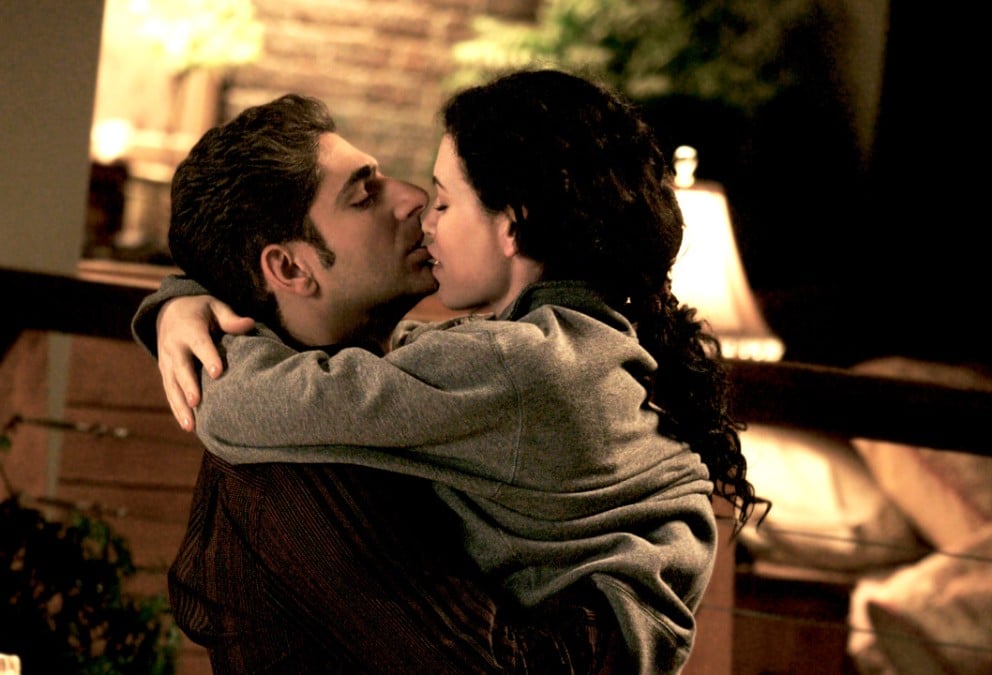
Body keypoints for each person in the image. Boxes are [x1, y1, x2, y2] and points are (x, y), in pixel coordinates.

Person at [139, 68, 759, 673]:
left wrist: (180, 310)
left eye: (443, 200)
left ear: (512, 226)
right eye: (365, 194)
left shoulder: (502, 364)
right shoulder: (287, 473)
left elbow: (225, 398)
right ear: (291, 269)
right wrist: (183, 300)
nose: (416, 203)